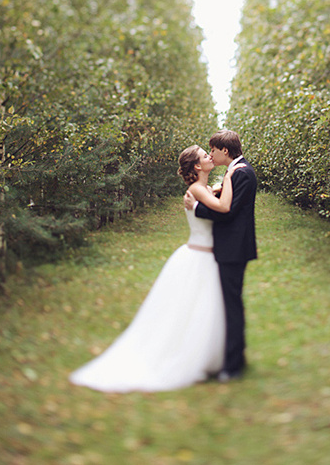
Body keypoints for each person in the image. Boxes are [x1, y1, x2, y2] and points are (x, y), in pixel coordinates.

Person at [69, 145, 243, 393]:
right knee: (193, 309)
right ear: (196, 166)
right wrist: (229, 177)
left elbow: (214, 197)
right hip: (199, 258)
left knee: (204, 310)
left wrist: (218, 186)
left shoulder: (203, 189)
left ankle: (206, 356)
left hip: (207, 258)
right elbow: (224, 207)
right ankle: (190, 358)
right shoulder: (196, 190)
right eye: (205, 155)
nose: (210, 157)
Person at [184, 130, 257, 383]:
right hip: (227, 249)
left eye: (212, 150)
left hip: (234, 249)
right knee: (227, 304)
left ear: (224, 151)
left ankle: (234, 365)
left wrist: (197, 208)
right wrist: (214, 191)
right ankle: (233, 357)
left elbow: (228, 212)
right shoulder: (234, 172)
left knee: (232, 305)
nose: (211, 155)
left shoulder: (242, 173)